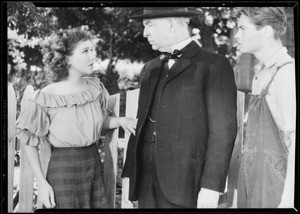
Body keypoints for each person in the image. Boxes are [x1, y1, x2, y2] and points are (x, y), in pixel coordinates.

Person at [121, 7, 238, 208]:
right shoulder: (150, 69)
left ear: (172, 24)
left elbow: (223, 133)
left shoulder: (213, 65)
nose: (145, 33)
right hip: (146, 184)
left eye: (149, 25)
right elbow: (142, 126)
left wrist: (211, 187)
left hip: (185, 185)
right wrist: (132, 181)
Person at [15, 29, 137, 209]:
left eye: (92, 50)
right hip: (63, 170)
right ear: (68, 59)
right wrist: (41, 183)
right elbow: (28, 141)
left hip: (93, 164)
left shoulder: (95, 88)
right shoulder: (46, 96)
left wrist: (120, 121)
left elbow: (95, 122)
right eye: (85, 51)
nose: (92, 56)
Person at [232, 7, 295, 208]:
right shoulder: (260, 73)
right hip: (253, 179)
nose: (237, 36)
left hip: (275, 188)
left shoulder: (287, 73)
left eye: (243, 28)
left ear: (266, 32)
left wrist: (287, 202)